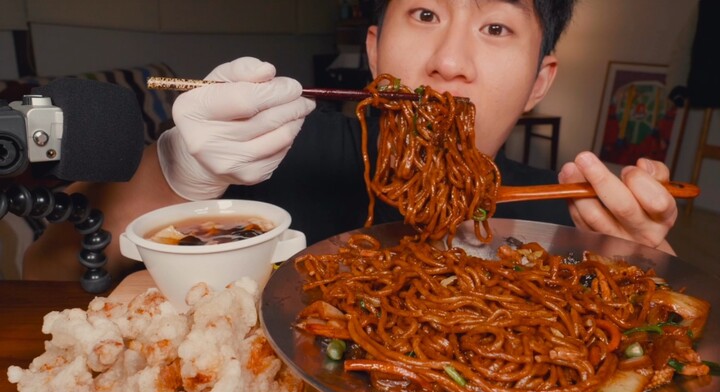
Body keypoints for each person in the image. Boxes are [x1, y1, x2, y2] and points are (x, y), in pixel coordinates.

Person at [23, 0, 678, 281]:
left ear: (540, 81)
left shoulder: (559, 224)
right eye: (425, 13)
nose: (450, 61)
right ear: (373, 50)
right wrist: (179, 176)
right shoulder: (276, 158)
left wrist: (646, 270)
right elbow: (46, 271)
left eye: (496, 27)